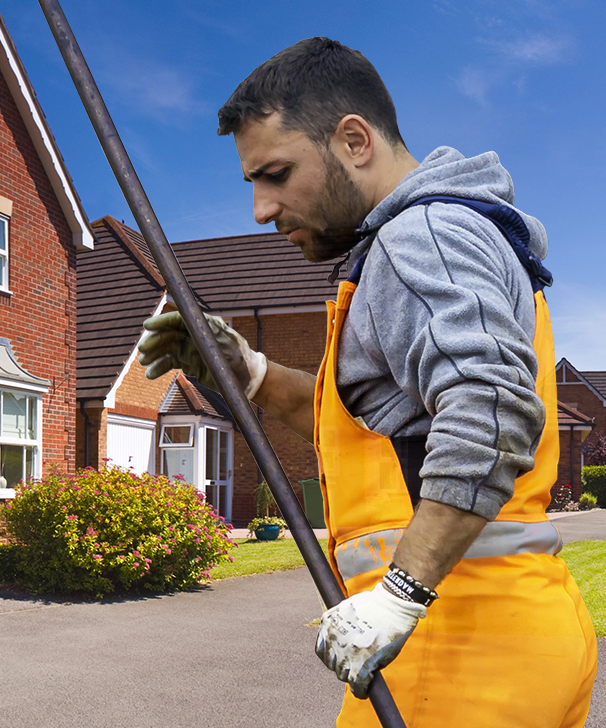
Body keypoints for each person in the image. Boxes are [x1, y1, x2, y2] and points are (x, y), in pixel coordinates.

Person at [138, 38, 597, 728]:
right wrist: (248, 369)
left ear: (354, 140)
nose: (262, 209)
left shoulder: (422, 239)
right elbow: (370, 435)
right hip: (506, 638)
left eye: (277, 173)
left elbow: (490, 411)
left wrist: (400, 595)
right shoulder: (450, 234)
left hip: (458, 652)